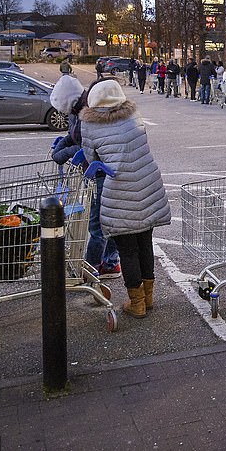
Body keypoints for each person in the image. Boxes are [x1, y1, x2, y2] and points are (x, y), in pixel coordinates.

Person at [79, 79, 172, 319]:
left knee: (127, 249)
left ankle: (136, 303)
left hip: (119, 189)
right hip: (148, 183)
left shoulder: (89, 125)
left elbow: (91, 158)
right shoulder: (134, 117)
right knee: (144, 242)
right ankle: (148, 298)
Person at [51, 77, 122, 279]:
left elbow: (90, 145)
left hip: (101, 173)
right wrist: (62, 146)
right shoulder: (77, 111)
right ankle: (108, 262)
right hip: (93, 172)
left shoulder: (92, 111)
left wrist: (66, 152)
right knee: (102, 222)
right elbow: (75, 136)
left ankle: (93, 267)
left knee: (97, 224)